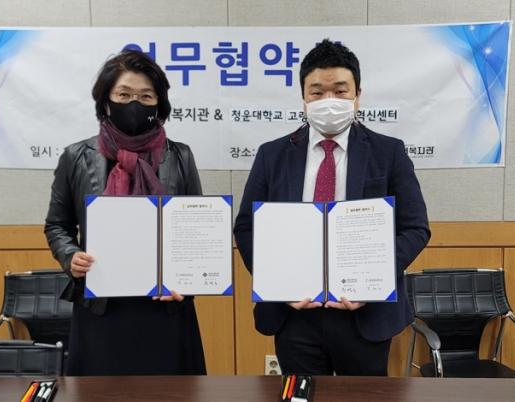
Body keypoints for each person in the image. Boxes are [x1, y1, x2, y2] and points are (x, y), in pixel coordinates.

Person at [233, 39, 430, 376]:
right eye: (317, 92)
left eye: (340, 91)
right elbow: (247, 228)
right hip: (294, 314)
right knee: (300, 396)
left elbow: (415, 228)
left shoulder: (388, 152)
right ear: (303, 98)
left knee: (365, 399)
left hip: (364, 314)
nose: (328, 101)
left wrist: (374, 278)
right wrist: (277, 283)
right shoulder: (272, 155)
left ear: (357, 95)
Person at [44, 49, 206, 376]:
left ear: (159, 104)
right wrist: (70, 255)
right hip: (102, 307)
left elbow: (197, 229)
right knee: (100, 394)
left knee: (171, 395)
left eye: (146, 96)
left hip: (165, 307)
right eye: (124, 95)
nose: (135, 104)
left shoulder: (180, 156)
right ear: (106, 101)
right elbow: (57, 225)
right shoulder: (77, 157)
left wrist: (187, 281)